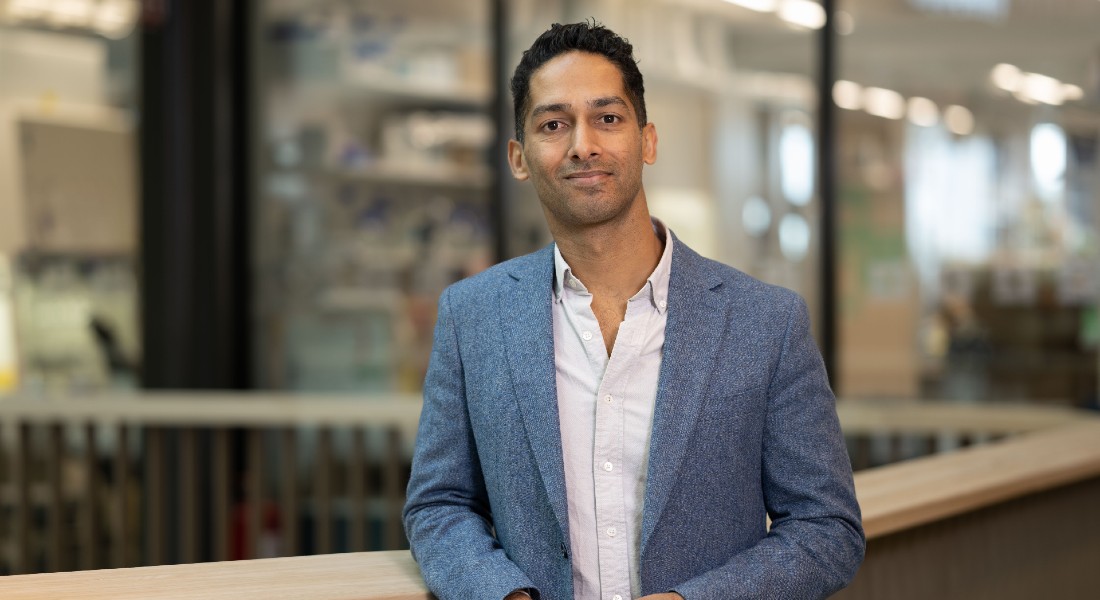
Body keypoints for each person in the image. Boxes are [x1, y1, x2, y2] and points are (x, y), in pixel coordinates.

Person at [403, 21, 864, 600]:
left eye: (608, 118)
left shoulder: (766, 322)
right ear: (519, 158)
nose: (583, 145)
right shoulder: (473, 316)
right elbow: (439, 504)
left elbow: (827, 529)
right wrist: (504, 595)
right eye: (553, 124)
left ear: (647, 141)